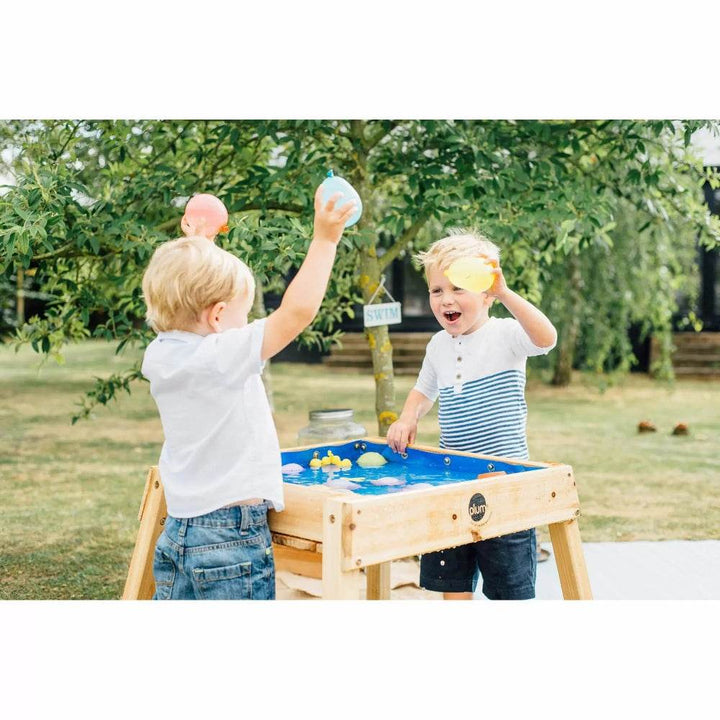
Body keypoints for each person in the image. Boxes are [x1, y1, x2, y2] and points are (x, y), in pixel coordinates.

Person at [140, 186, 356, 599]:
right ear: (219, 316)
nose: (247, 324)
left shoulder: (161, 354)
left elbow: (185, 289)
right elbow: (296, 312)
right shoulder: (220, 355)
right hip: (230, 536)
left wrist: (199, 245)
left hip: (180, 529)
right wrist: (325, 240)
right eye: (244, 314)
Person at [386, 229, 557, 600]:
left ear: (486, 294)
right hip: (453, 481)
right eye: (436, 290)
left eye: (458, 288)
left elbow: (546, 339)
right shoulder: (437, 346)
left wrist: (506, 293)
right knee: (453, 584)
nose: (446, 299)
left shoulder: (506, 334)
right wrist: (408, 417)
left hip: (504, 483)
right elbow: (423, 391)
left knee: (509, 591)